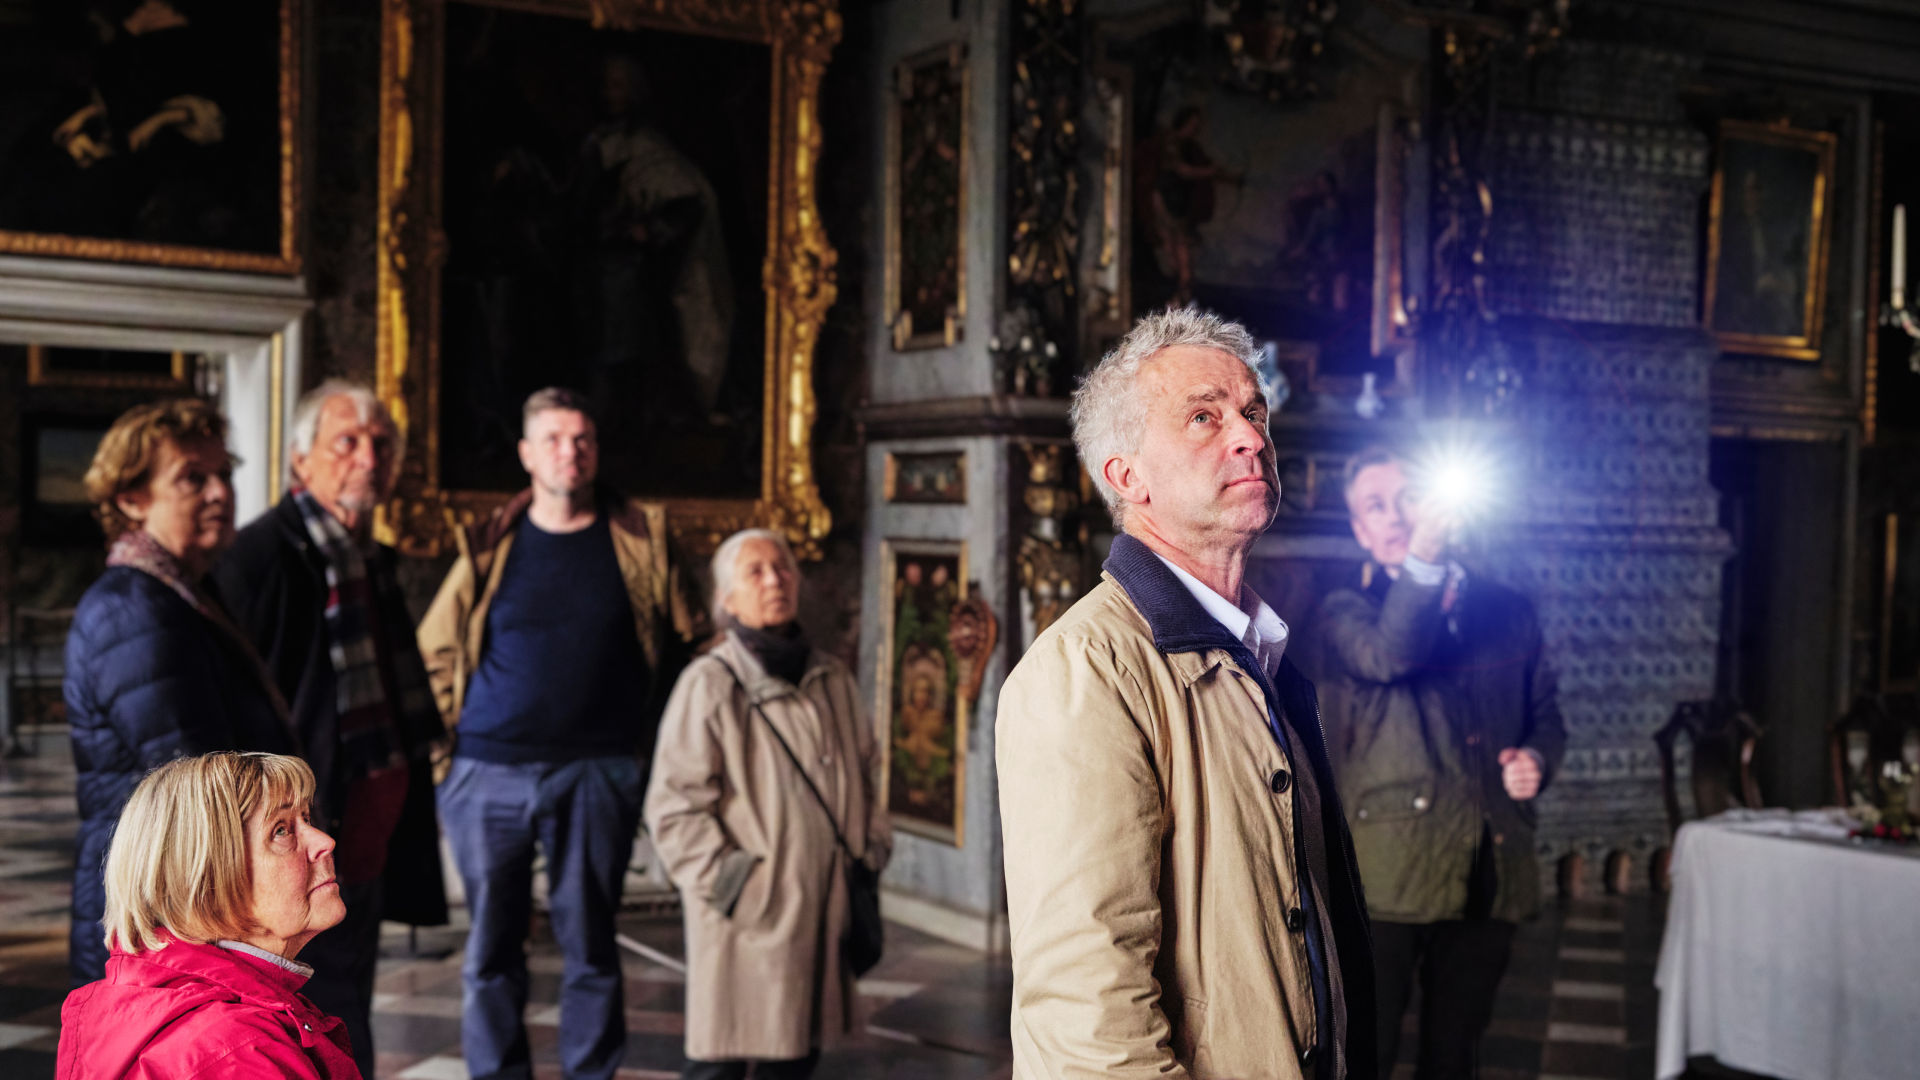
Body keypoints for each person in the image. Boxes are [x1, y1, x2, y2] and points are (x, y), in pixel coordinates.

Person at [997, 306, 1376, 1080]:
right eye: (1204, 416)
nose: (1250, 436)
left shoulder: (1260, 649)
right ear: (1126, 476)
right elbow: (1086, 1008)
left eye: (1253, 410)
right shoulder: (1086, 669)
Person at [417, 387, 706, 1080]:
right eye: (552, 439)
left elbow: (692, 647)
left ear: (595, 450)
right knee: (490, 950)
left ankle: (590, 1072)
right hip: (487, 771)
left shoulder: (641, 538)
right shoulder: (491, 542)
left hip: (597, 770)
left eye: (581, 439)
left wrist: (647, 754)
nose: (568, 452)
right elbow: (437, 648)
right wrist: (446, 759)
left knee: (591, 945)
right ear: (526, 453)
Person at [211, 380, 447, 1078]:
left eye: (382, 445)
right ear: (300, 461)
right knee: (292, 1023)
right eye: (348, 441)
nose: (369, 458)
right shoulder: (256, 561)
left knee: (345, 1013)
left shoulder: (373, 560)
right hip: (289, 839)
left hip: (363, 836)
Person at [1315, 445, 1567, 1080]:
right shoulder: (1346, 610)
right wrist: (1424, 558)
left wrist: (1536, 758)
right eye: (1377, 505)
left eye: (1409, 498)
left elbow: (1547, 714)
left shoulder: (1508, 608)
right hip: (1390, 872)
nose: (1397, 516)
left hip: (1490, 860)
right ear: (1359, 529)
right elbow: (1392, 655)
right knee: (1364, 1051)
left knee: (1456, 1052)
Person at [64, 398, 298, 985]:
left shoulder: (182, 593)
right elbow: (196, 781)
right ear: (130, 499)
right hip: (159, 908)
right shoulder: (135, 607)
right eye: (193, 478)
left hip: (181, 895)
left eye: (224, 473)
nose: (220, 491)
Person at [646, 528, 891, 1080]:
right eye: (754, 572)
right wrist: (738, 886)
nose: (774, 579)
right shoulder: (709, 684)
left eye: (782, 568)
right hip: (749, 919)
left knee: (797, 1055)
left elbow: (868, 773)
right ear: (727, 600)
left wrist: (870, 848)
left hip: (823, 906)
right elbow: (674, 808)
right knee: (723, 1063)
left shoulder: (831, 677)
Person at [57, 751, 359, 1080]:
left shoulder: (139, 1002)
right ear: (206, 880)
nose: (324, 842)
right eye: (281, 831)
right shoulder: (240, 1055)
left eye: (307, 819)